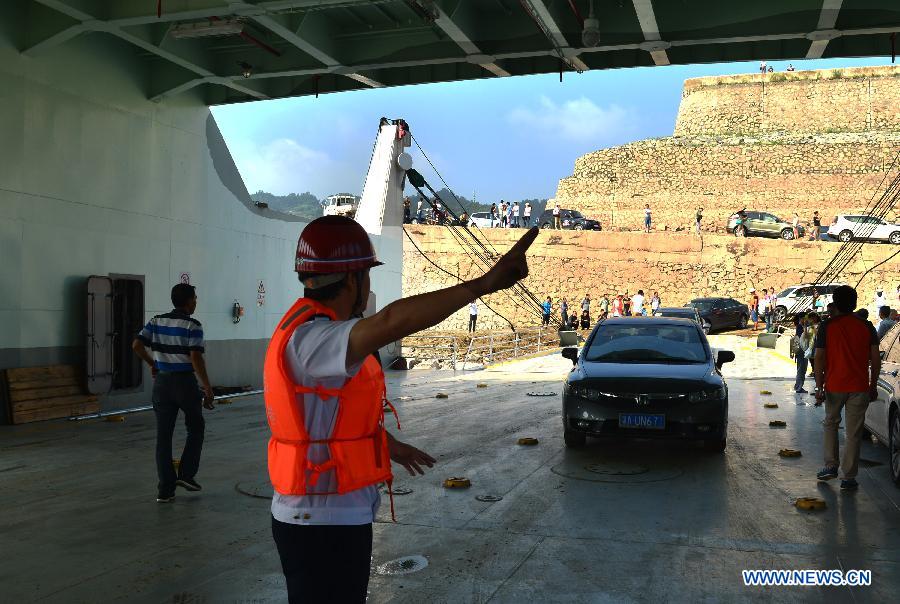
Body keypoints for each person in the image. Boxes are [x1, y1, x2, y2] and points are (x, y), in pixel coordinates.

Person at [267, 216, 538, 602]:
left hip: (326, 516)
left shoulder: (314, 333)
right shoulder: (314, 338)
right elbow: (393, 321)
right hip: (321, 522)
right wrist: (483, 284)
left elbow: (330, 420)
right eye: (366, 275)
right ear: (352, 279)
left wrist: (389, 445)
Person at [132, 283, 214, 503]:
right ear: (188, 301)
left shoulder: (156, 321)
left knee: (164, 437)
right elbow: (195, 358)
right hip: (185, 383)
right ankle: (186, 475)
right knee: (196, 427)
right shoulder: (193, 325)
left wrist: (153, 363)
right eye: (195, 298)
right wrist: (207, 386)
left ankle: (165, 490)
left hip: (162, 384)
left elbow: (136, 345)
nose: (196, 302)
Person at [813, 285, 881, 491]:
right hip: (859, 386)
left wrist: (819, 386)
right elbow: (876, 359)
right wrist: (873, 384)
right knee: (853, 432)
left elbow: (819, 358)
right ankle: (849, 476)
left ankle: (830, 466)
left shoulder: (827, 326)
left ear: (836, 302)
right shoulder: (867, 326)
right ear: (854, 303)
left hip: (834, 385)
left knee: (831, 424)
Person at [792, 314, 810, 393]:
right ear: (801, 319)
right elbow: (804, 337)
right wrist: (806, 327)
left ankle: (798, 386)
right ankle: (798, 387)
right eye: (805, 318)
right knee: (801, 369)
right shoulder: (800, 327)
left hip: (801, 351)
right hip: (801, 351)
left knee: (802, 369)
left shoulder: (800, 326)